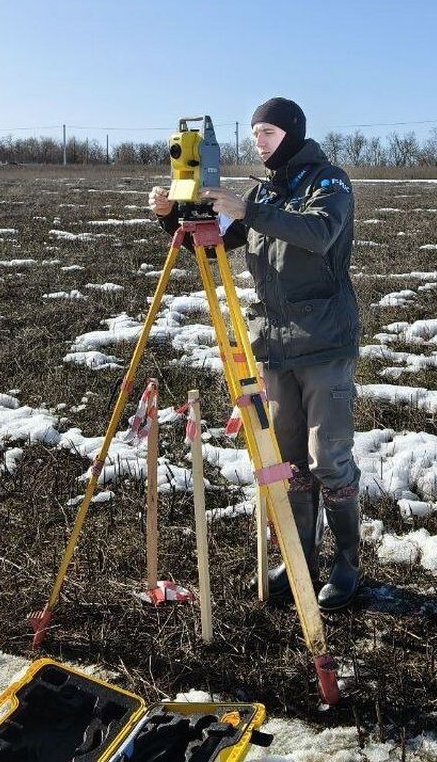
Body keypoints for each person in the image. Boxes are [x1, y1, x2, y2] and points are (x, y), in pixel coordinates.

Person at [149, 97, 361, 611]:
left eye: (267, 132)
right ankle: (300, 562)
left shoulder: (329, 183)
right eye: (254, 133)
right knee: (289, 464)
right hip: (275, 345)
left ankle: (347, 567)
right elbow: (216, 244)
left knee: (328, 459)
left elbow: (319, 232)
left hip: (326, 342)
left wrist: (249, 209)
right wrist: (172, 216)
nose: (258, 141)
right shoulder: (262, 190)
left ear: (290, 132)